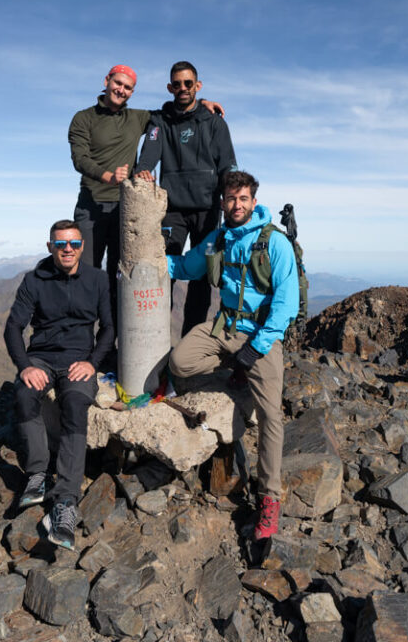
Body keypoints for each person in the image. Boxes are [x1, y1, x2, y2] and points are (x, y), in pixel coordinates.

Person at [167, 170, 297, 540]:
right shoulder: (219, 238)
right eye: (230, 199)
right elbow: (186, 266)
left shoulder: (274, 243)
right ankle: (234, 379)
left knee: (272, 415)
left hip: (260, 334)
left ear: (253, 202)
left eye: (243, 199)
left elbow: (286, 305)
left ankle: (269, 497)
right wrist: (149, 262)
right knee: (180, 362)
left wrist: (254, 350)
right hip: (223, 327)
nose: (236, 205)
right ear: (222, 202)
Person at [68, 64, 223, 340]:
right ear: (106, 81)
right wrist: (108, 176)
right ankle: (81, 344)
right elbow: (79, 159)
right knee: (88, 278)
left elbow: (174, 111)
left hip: (125, 211)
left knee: (121, 278)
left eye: (128, 88)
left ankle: (112, 345)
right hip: (91, 209)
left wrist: (202, 104)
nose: (121, 90)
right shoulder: (83, 118)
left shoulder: (138, 118)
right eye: (118, 84)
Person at [3, 220, 113, 551]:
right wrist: (24, 367)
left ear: (82, 247)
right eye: (61, 243)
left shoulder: (97, 279)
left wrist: (92, 362)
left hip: (79, 359)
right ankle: (37, 473)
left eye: (74, 244)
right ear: (50, 246)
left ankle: (65, 500)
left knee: (75, 406)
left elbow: (108, 328)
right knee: (24, 395)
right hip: (41, 357)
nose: (68, 249)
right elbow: (13, 328)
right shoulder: (34, 280)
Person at [136, 61, 238, 336]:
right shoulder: (160, 121)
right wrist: (143, 170)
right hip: (173, 210)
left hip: (207, 210)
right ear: (170, 87)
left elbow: (227, 163)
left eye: (188, 83)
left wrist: (232, 197)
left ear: (198, 86)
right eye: (177, 84)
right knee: (164, 270)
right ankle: (155, 340)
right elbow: (149, 153)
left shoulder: (215, 123)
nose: (183, 88)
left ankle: (188, 343)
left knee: (202, 276)